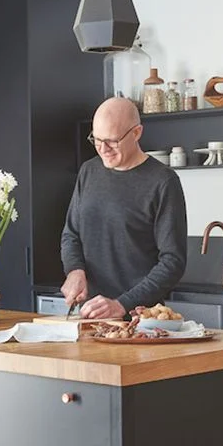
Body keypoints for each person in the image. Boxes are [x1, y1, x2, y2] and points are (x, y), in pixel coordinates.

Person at [60, 96, 187, 319]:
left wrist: (121, 304)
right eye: (97, 140)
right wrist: (74, 270)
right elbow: (71, 234)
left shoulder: (163, 181)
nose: (103, 149)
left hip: (140, 319)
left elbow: (173, 262)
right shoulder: (89, 172)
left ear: (136, 133)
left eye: (112, 141)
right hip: (90, 316)